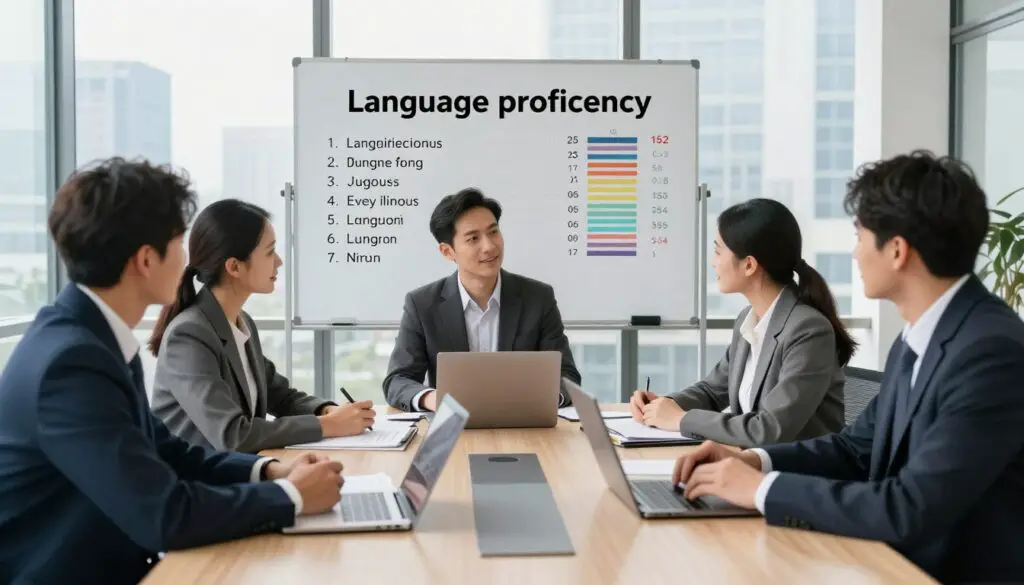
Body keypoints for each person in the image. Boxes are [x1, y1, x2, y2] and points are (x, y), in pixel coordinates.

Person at [670, 150, 1024, 584]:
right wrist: (752, 460)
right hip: (890, 563)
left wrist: (760, 490)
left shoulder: (989, 353)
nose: (854, 254)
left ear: (897, 251)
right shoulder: (918, 338)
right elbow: (854, 450)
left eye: (859, 237)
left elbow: (910, 507)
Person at [0, 158, 345, 585]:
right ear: (146, 259)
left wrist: (271, 471)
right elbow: (164, 515)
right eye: (179, 243)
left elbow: (170, 452)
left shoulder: (93, 339)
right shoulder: (71, 365)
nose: (188, 260)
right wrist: (291, 496)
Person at [149, 199, 375, 453]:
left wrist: (327, 411)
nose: (278, 261)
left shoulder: (241, 322)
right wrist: (328, 425)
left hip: (236, 469)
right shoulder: (189, 335)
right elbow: (233, 435)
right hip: (194, 476)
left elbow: (280, 396)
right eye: (270, 252)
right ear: (234, 267)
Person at [628, 198, 855, 447]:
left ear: (749, 265)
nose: (713, 262)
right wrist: (663, 406)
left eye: (718, 251)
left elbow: (768, 430)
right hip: (750, 462)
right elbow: (713, 391)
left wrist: (680, 419)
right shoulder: (749, 320)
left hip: (799, 468)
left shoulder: (808, 330)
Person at [383, 187, 582, 411]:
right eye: (473, 238)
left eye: (493, 232)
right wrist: (434, 399)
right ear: (448, 251)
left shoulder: (538, 298)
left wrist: (541, 400)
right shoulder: (422, 304)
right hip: (453, 423)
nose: (489, 246)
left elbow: (567, 375)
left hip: (524, 423)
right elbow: (397, 380)